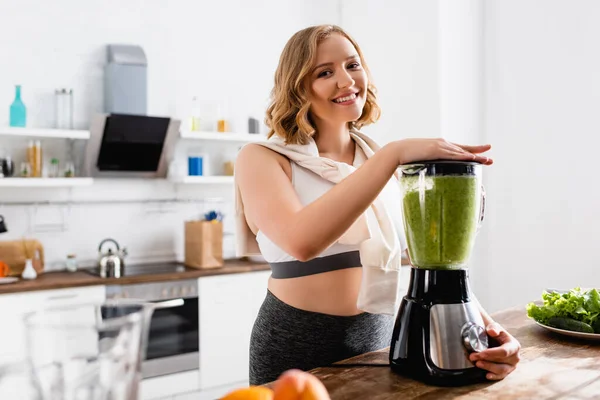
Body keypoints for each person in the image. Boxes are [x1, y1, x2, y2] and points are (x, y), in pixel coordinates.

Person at [235, 24, 521, 386]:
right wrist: (393, 155)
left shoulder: (378, 162)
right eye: (325, 72)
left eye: (352, 65)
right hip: (295, 340)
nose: (346, 80)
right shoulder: (262, 157)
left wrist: (486, 328)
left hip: (380, 336)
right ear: (298, 87)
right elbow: (301, 242)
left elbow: (426, 259)